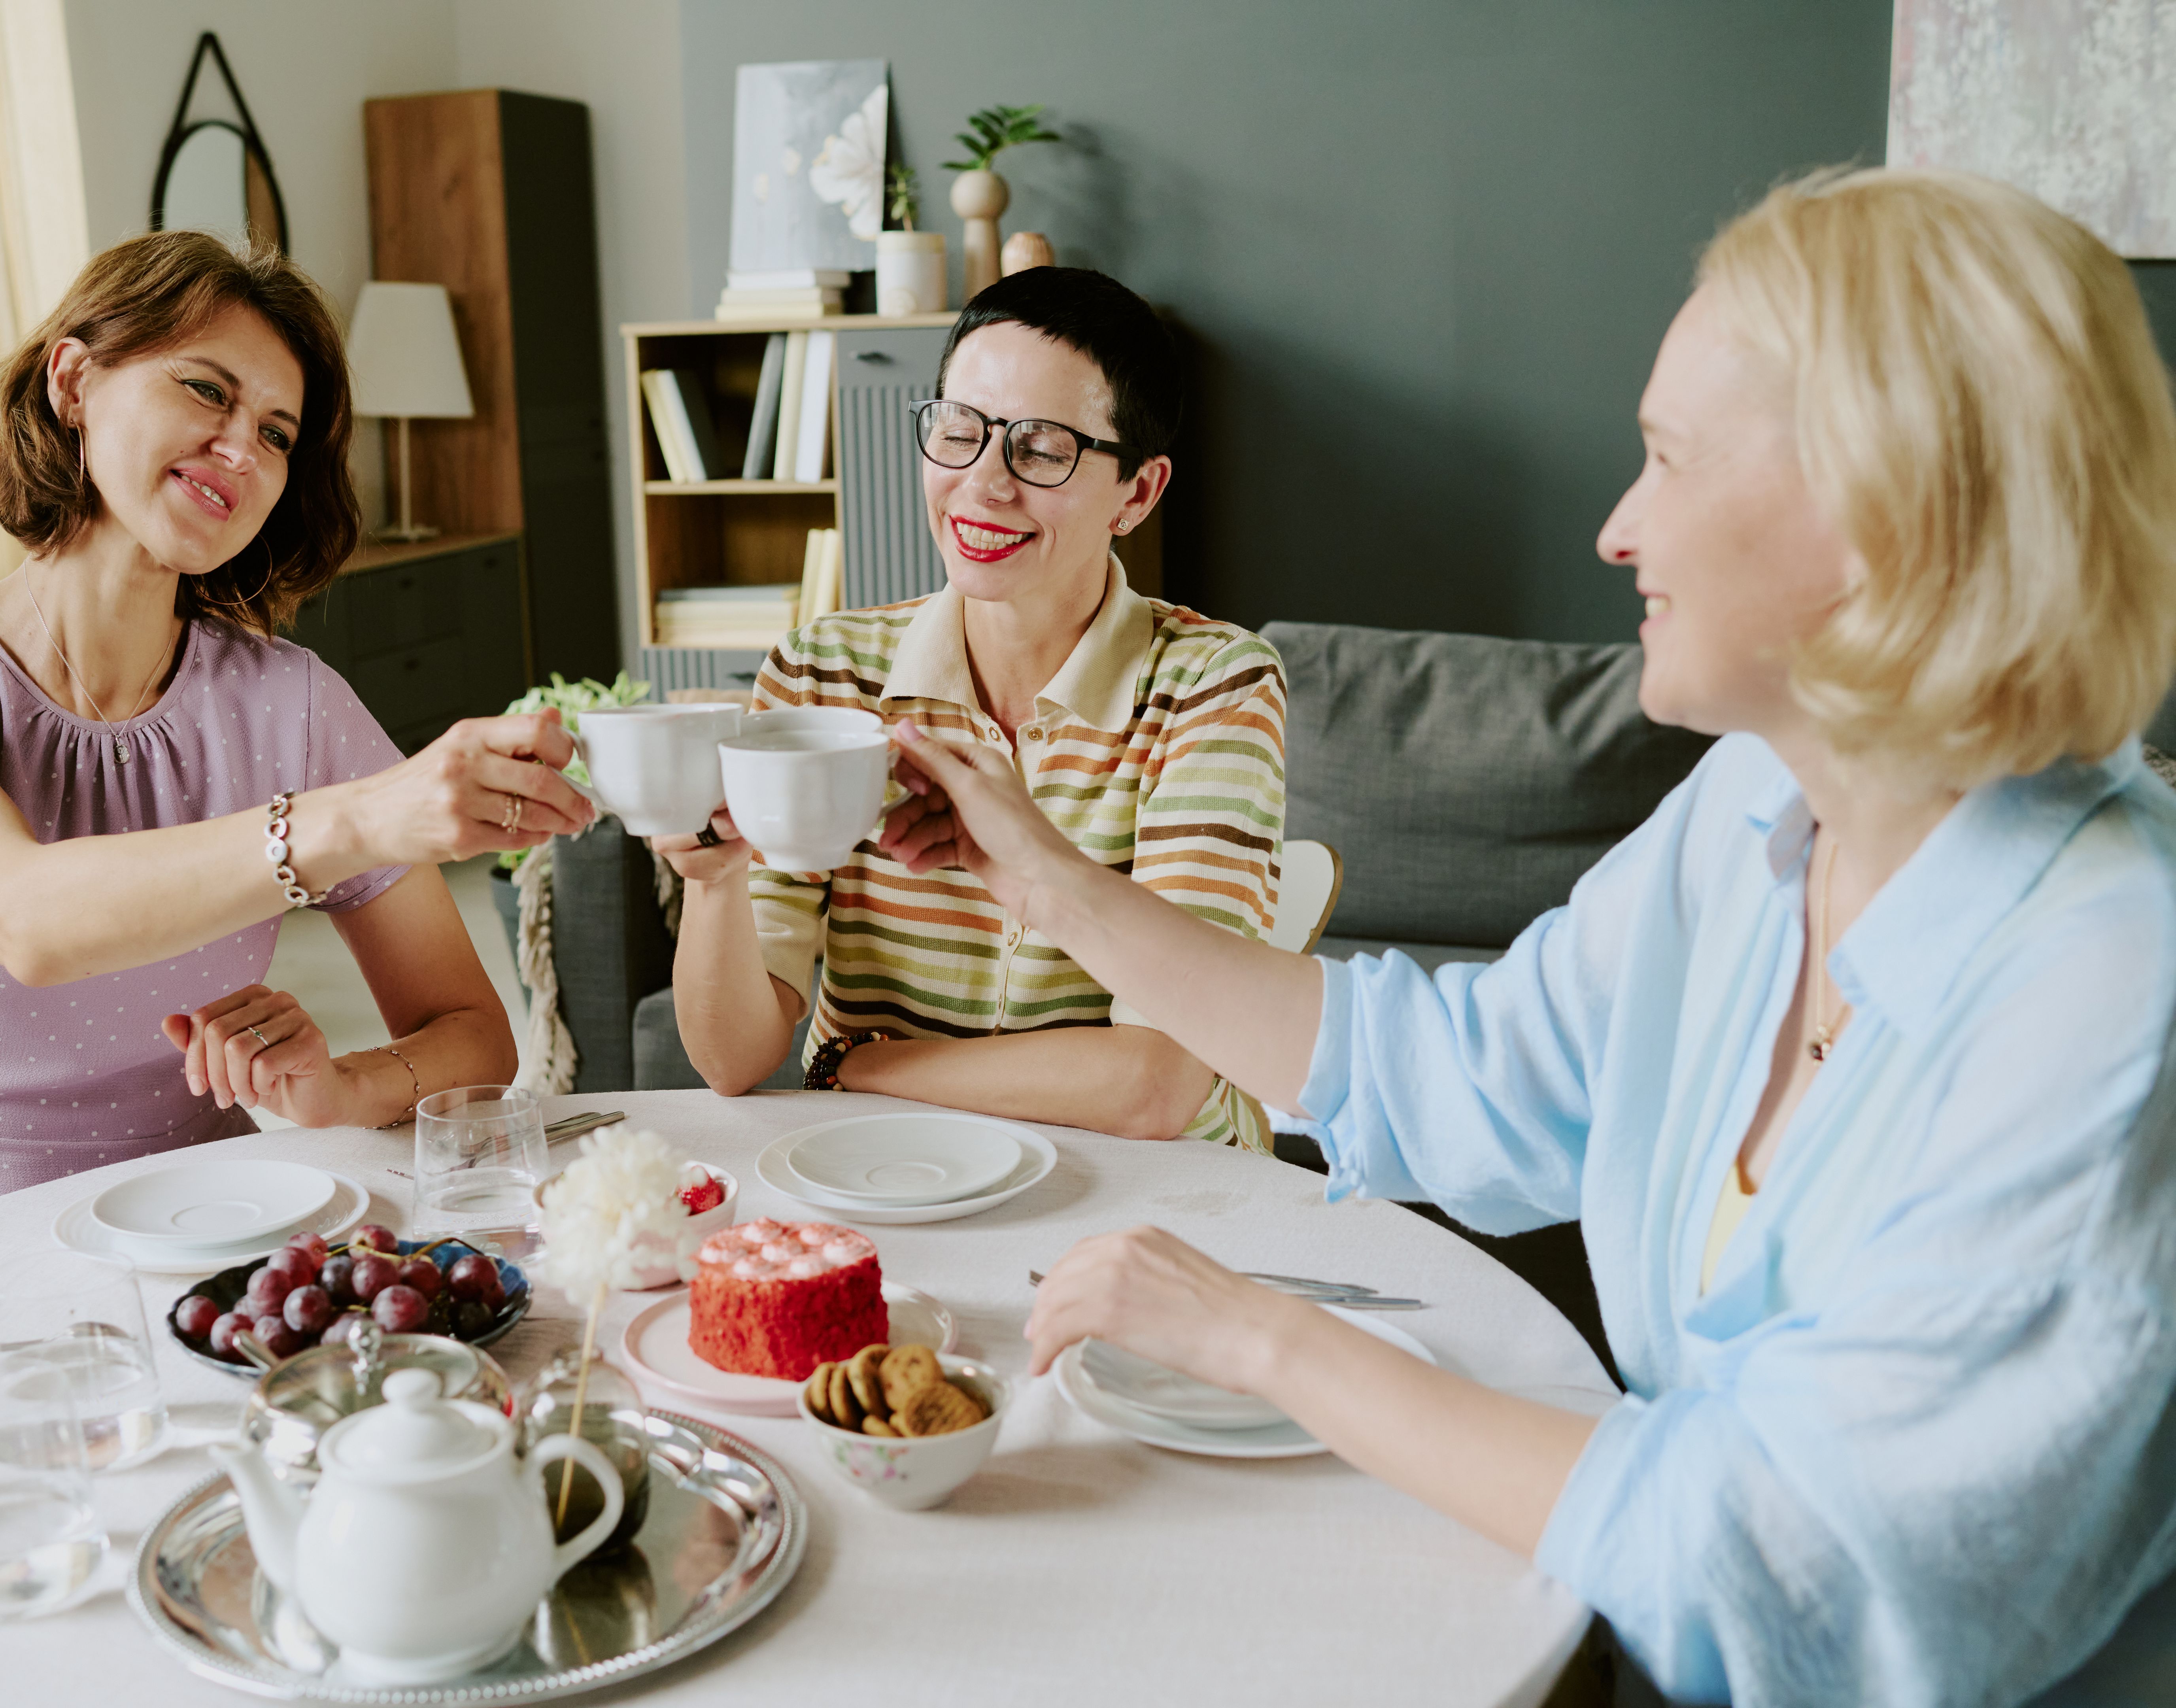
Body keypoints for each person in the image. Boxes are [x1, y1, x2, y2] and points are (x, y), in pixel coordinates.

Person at [883, 170, 2176, 1702]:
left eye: (1666, 460)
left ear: (1883, 506)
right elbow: (1467, 1075)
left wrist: (1263, 1339)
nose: (1619, 530)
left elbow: (1792, 1572)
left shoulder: (2111, 985)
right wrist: (1052, 884)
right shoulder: (1758, 802)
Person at [0, 233, 593, 1266]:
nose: (243, 451)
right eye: (205, 391)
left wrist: (340, 1088)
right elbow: (22, 915)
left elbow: (471, 1035)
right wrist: (355, 817)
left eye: (276, 432)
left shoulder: (291, 705)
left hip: (195, 1276)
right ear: (73, 381)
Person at [654, 268, 1287, 1147]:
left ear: (1136, 495)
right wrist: (714, 882)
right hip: (894, 1170)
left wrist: (859, 1064)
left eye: (1040, 449)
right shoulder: (821, 674)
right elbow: (732, 1059)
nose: (983, 483)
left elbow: (1155, 1085)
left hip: (1163, 1199)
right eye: (960, 430)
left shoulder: (1214, 685)